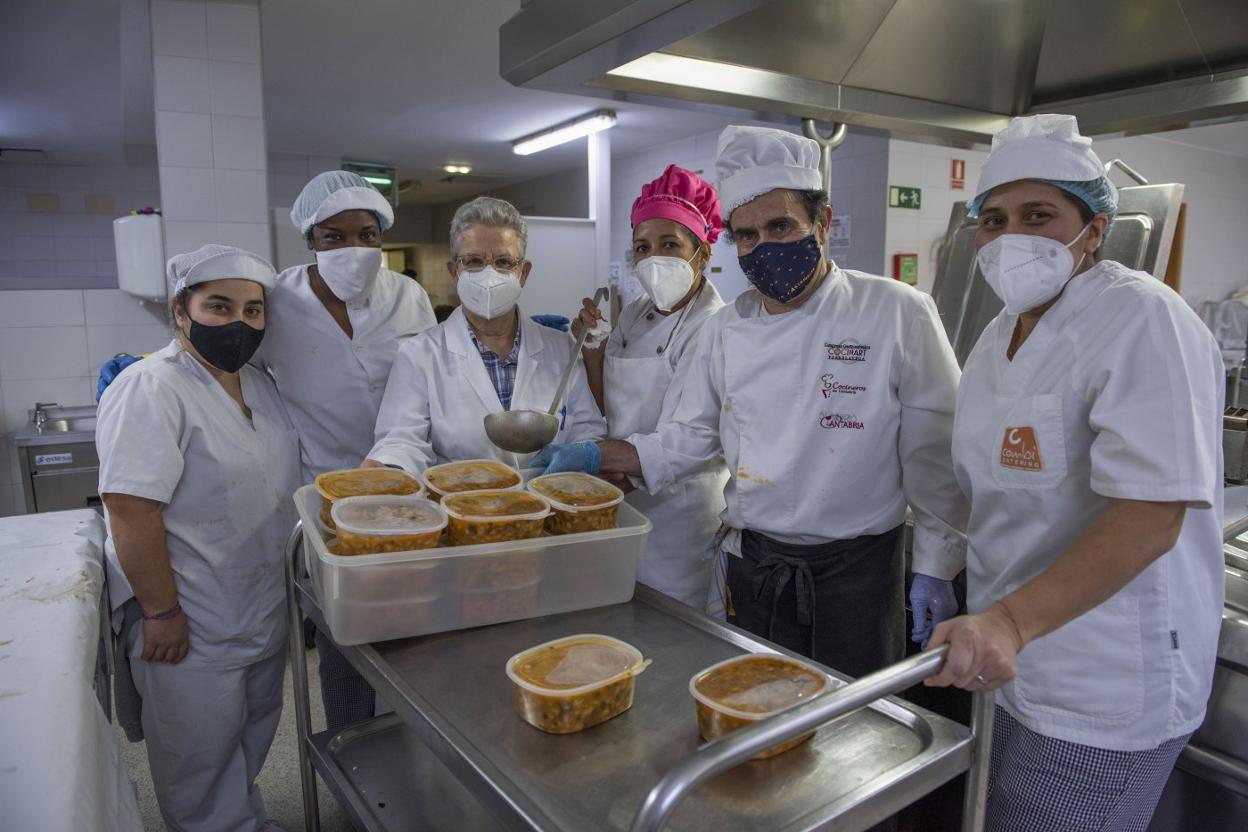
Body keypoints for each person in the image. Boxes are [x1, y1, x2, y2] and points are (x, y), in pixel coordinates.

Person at [539, 126, 967, 678]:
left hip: (857, 572)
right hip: (755, 564)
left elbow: (936, 453)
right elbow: (689, 437)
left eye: (781, 226)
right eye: (746, 235)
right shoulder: (729, 327)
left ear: (824, 223)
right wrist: (598, 457)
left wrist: (936, 562)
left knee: (854, 731)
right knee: (755, 715)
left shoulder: (895, 311)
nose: (763, 246)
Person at [924, 114, 1225, 832]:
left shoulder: (1144, 320)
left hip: (1102, 677)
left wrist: (1008, 620)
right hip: (1013, 662)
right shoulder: (1000, 335)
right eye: (993, 220)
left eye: (1040, 215)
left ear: (1093, 225)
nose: (1011, 238)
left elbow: (1152, 514)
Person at [97, 245, 298, 832]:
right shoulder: (151, 388)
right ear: (180, 311)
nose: (240, 322)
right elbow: (130, 510)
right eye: (219, 305)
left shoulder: (259, 385)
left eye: (253, 310)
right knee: (198, 761)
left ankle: (246, 821)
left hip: (257, 604)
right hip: (189, 615)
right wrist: (161, 611)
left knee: (252, 734)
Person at [253, 170, 437, 732]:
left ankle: (413, 748)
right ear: (309, 240)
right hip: (324, 496)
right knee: (344, 639)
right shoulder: (277, 302)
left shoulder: (408, 296)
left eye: (366, 233)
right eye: (333, 237)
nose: (353, 248)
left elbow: (435, 381)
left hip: (408, 490)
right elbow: (250, 382)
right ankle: (352, 750)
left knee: (412, 631)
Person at [544, 164, 729, 607]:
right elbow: (607, 402)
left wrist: (594, 458)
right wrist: (590, 346)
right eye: (642, 248)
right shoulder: (635, 314)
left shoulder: (717, 325)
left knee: (672, 630)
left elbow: (690, 442)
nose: (653, 258)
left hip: (681, 513)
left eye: (670, 244)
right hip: (626, 499)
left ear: (702, 253)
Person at [365, 196, 606, 472]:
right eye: (474, 261)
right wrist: (386, 466)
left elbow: (588, 429)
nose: (489, 275)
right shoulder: (419, 355)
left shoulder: (562, 348)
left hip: (551, 505)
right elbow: (402, 439)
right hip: (463, 506)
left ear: (523, 273)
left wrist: (575, 456)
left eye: (504, 262)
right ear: (455, 272)